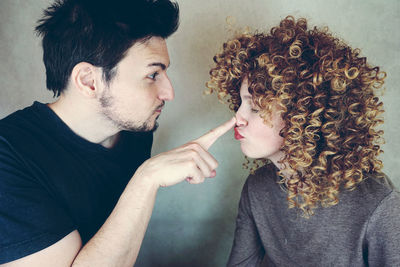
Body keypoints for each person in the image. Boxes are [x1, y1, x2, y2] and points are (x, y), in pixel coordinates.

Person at [0, 0, 236, 265]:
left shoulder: (135, 132)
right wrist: (146, 179)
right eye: (152, 75)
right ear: (89, 81)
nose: (169, 93)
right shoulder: (8, 157)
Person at [207, 16, 400, 266]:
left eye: (254, 107)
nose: (237, 118)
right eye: (240, 103)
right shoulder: (258, 188)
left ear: (304, 115)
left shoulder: (379, 204)